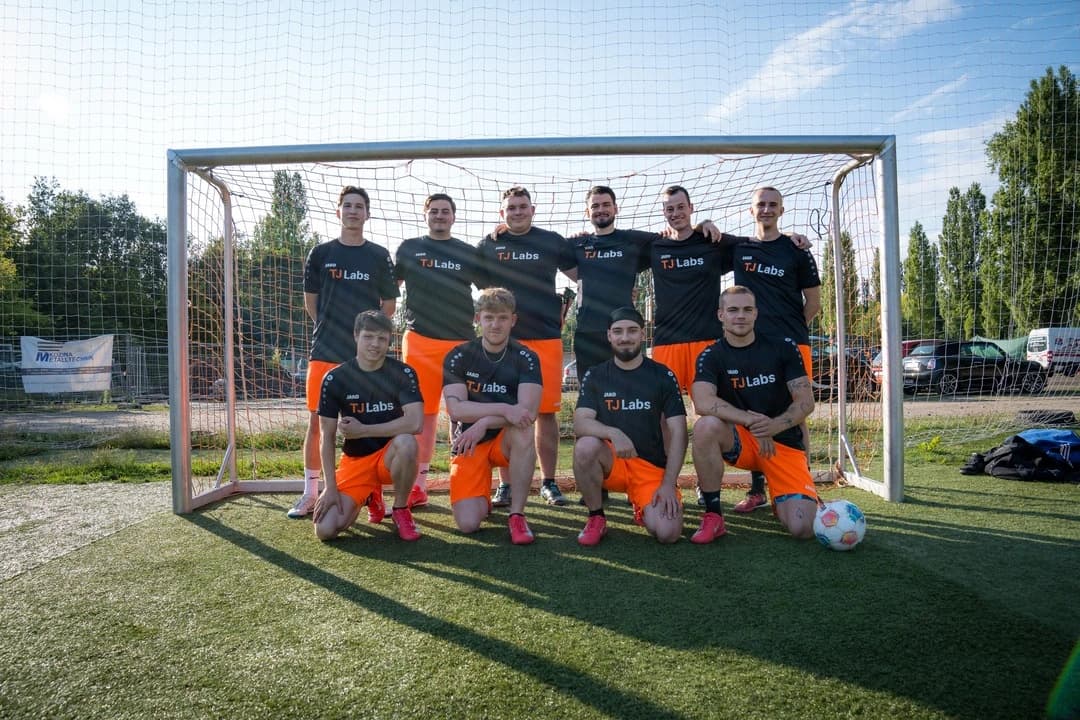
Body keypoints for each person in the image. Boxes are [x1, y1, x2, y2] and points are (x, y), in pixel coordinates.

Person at [288, 186, 399, 519]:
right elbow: (313, 305)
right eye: (347, 206)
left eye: (359, 206)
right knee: (318, 425)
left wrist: (365, 342)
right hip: (324, 351)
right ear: (339, 212)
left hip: (365, 359)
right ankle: (310, 493)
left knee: (370, 421)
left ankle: (372, 493)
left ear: (368, 213)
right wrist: (336, 331)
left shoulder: (379, 255)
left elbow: (389, 307)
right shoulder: (320, 254)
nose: (353, 211)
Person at [689, 286, 819, 543]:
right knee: (705, 426)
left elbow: (806, 403)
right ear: (720, 315)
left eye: (747, 309)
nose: (741, 316)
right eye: (733, 310)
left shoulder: (783, 347)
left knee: (802, 528)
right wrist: (752, 422)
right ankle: (714, 515)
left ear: (756, 314)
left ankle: (782, 495)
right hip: (743, 441)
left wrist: (773, 426)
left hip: (782, 442)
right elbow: (702, 401)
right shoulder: (711, 355)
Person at [475, 186, 578, 508]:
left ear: (533, 209)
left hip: (545, 336)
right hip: (503, 341)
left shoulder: (551, 241)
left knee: (545, 413)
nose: (517, 212)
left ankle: (548, 482)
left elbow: (579, 274)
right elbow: (483, 290)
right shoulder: (490, 244)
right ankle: (505, 485)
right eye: (511, 208)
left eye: (522, 207)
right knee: (507, 411)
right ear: (501, 213)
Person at [728, 186, 822, 514]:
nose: (766, 209)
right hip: (750, 348)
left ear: (781, 210)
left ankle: (804, 484)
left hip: (793, 344)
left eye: (772, 205)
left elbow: (813, 303)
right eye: (760, 205)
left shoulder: (797, 250)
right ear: (751, 210)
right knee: (756, 414)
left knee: (798, 414)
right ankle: (757, 489)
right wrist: (706, 222)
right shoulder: (738, 249)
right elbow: (700, 239)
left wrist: (788, 333)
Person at [573, 307, 687, 546]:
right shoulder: (596, 375)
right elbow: (581, 422)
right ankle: (596, 517)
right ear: (609, 336)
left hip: (650, 468)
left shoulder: (662, 375)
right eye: (618, 331)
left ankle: (642, 506)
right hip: (612, 462)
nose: (625, 337)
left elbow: (679, 432)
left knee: (668, 534)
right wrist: (613, 433)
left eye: (632, 330)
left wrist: (668, 483)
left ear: (643, 334)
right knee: (585, 446)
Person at [394, 193, 481, 508]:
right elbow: (390, 287)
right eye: (434, 211)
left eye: (446, 211)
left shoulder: (467, 252)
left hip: (462, 343)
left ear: (454, 217)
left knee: (464, 415)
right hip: (420, 341)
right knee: (423, 417)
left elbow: (491, 288)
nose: (440, 216)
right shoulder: (408, 248)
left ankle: (466, 480)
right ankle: (418, 485)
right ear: (425, 214)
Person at [311, 311, 423, 542]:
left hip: (389, 457)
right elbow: (327, 437)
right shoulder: (335, 378)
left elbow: (415, 422)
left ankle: (401, 509)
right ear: (355, 336)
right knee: (325, 530)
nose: (375, 344)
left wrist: (364, 430)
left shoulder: (402, 372)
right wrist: (330, 487)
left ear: (389, 340)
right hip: (356, 461)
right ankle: (371, 495)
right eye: (368, 337)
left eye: (382, 338)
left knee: (407, 442)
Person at [442, 288, 543, 544]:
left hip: (505, 439)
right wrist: (504, 409)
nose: (495, 324)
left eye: (502, 318)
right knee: (468, 524)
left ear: (513, 320)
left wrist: (486, 420)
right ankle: (481, 494)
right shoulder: (459, 355)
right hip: (469, 442)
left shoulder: (527, 357)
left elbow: (527, 413)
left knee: (522, 430)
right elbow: (456, 409)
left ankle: (517, 515)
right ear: (478, 319)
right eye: (489, 318)